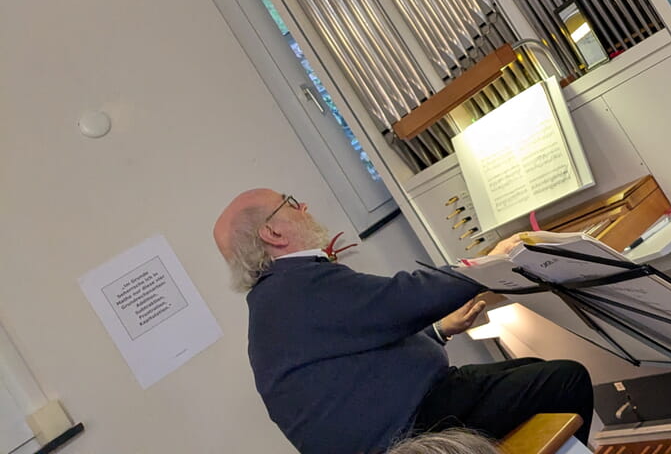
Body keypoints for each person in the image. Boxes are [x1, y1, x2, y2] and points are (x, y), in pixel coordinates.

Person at [212, 189, 595, 454]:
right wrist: (490, 262)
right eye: (290, 203)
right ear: (273, 232)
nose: (305, 207)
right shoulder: (295, 285)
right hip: (410, 434)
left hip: (406, 420)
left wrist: (440, 331)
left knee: (530, 370)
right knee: (565, 380)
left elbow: (361, 352)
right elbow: (406, 297)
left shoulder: (275, 300)